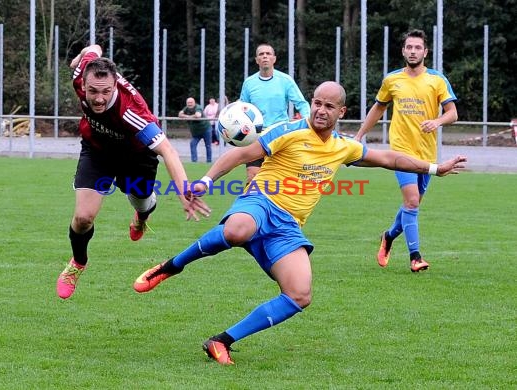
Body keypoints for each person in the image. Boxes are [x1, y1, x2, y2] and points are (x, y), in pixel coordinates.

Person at [133, 81, 466, 365]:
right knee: (237, 230)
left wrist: (436, 168)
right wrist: (205, 181)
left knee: (299, 295)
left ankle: (221, 341)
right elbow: (240, 155)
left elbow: (390, 158)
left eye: (328, 106)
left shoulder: (343, 147)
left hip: (287, 225)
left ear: (341, 112)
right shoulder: (289, 130)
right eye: (317, 103)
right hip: (261, 202)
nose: (320, 110)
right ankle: (171, 267)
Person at [56, 45, 210, 300]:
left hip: (136, 156)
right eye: (93, 91)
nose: (98, 99)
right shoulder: (81, 75)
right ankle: (77, 263)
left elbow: (168, 151)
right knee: (83, 218)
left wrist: (184, 192)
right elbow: (94, 49)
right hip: (97, 151)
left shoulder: (131, 111)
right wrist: (79, 56)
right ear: (83, 82)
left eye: (106, 92)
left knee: (142, 201)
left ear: (115, 85)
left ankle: (141, 217)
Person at [354, 29, 458, 273]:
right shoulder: (392, 80)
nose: (413, 51)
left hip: (427, 153)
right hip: (400, 151)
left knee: (411, 207)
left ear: (425, 52)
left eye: (417, 48)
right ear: (403, 51)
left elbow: (453, 113)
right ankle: (415, 257)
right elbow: (378, 109)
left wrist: (437, 122)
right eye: (409, 47)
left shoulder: (437, 80)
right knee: (411, 201)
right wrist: (359, 136)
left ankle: (388, 237)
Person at [240, 43, 310, 183]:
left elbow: (301, 104)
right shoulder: (249, 83)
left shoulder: (285, 80)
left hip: (280, 135)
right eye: (261, 54)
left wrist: (309, 124)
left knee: (280, 179)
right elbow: (243, 109)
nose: (265, 56)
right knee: (253, 176)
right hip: (257, 136)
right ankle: (251, 203)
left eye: (268, 53)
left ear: (274, 59)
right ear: (256, 60)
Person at [179, 97, 212, 163]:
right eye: (188, 103)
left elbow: (198, 115)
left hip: (205, 130)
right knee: (192, 144)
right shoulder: (186, 108)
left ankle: (209, 161)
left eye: (191, 102)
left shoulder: (198, 107)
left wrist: (187, 117)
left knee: (208, 145)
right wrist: (189, 117)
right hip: (196, 133)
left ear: (194, 103)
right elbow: (180, 114)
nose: (189, 104)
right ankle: (194, 161)